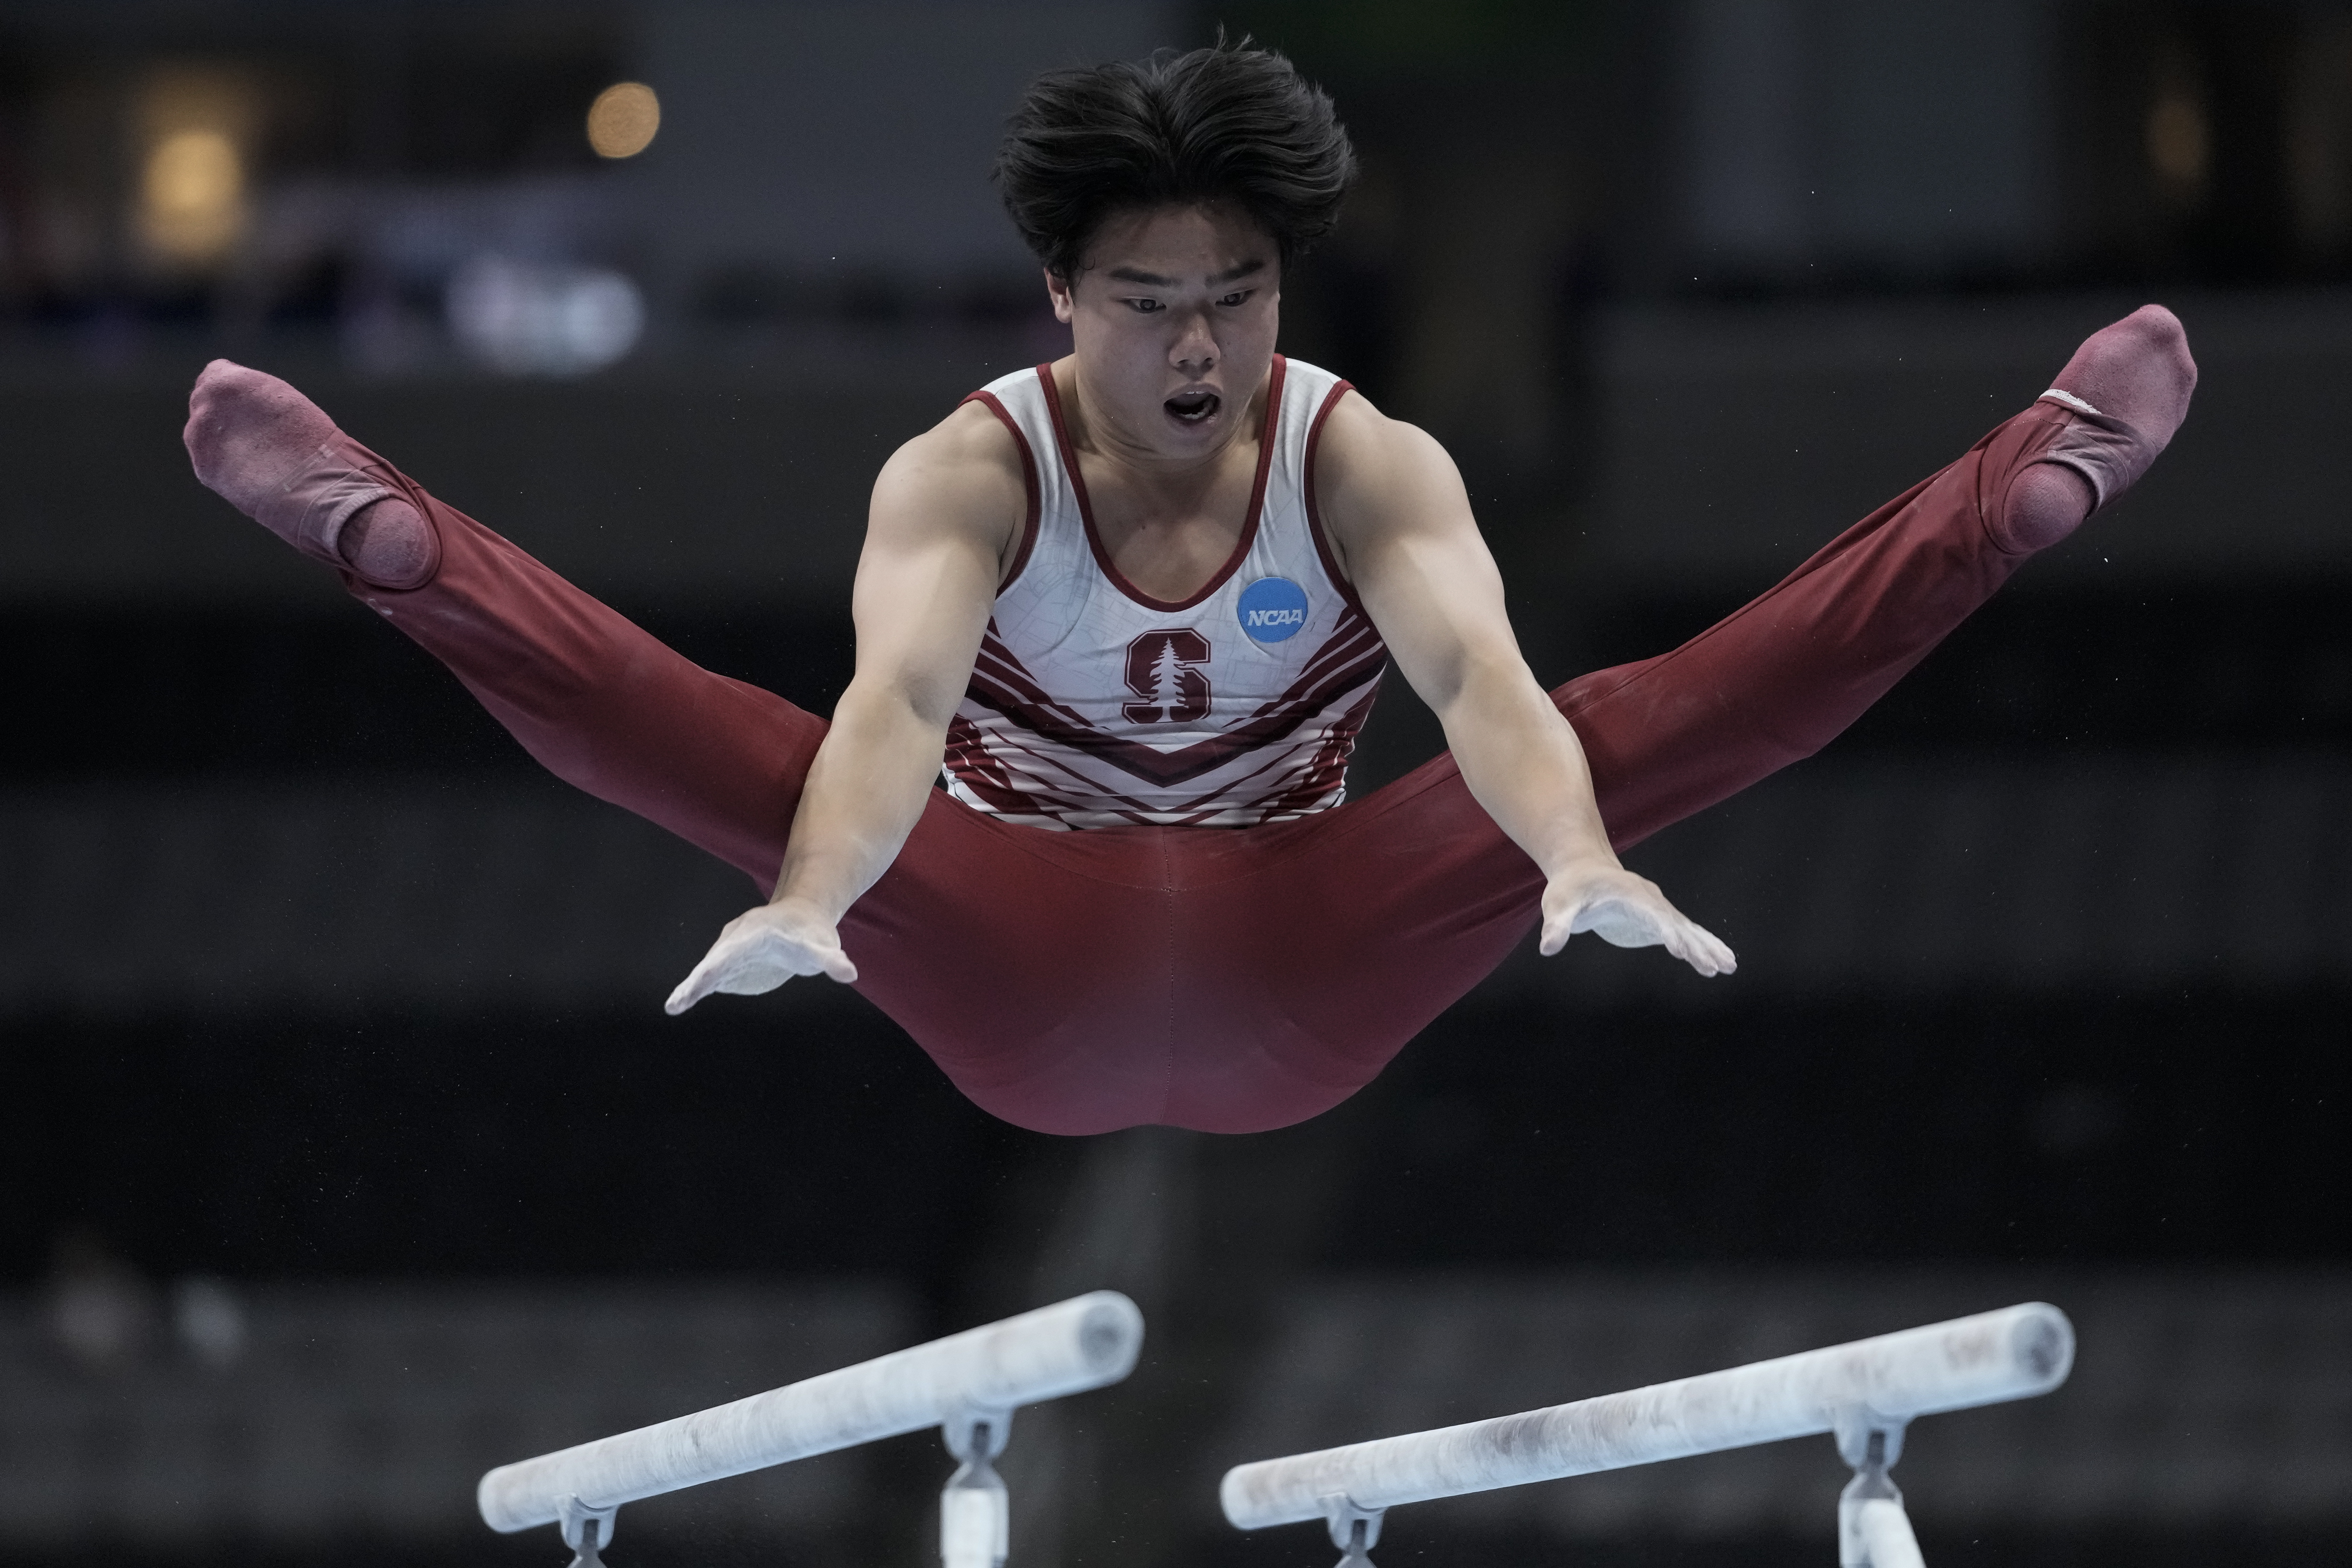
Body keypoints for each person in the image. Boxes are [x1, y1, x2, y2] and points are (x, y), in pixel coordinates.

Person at [182, 44, 2195, 1137]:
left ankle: (2011, 495)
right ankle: (401, 543)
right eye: (1150, 302)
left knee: (1618, 735)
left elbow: (1481, 677)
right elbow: (891, 712)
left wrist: (1573, 864)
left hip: (1309, 950)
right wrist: (813, 903)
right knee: (761, 757)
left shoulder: (1364, 460)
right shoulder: (969, 472)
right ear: (1063, 301)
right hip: (1020, 957)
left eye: (1240, 292)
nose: (1202, 345)